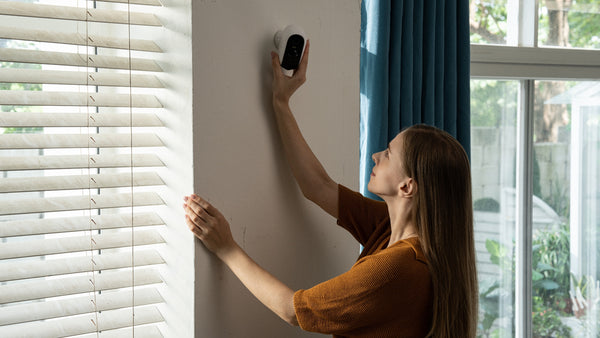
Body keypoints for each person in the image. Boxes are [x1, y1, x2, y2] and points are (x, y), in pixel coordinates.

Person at [183, 41, 478, 337]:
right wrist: (281, 102)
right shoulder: (390, 226)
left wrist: (226, 247)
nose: (376, 156)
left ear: (407, 186)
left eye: (388, 154)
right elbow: (318, 186)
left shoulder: (398, 267)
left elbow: (292, 309)